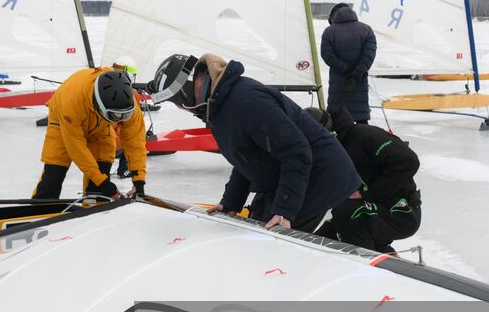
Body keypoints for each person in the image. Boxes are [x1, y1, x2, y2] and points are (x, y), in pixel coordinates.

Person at [150, 53, 357, 232]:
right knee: (255, 231)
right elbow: (246, 157)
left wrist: (284, 210)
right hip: (289, 176)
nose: (181, 109)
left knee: (269, 243)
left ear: (186, 89)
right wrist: (231, 202)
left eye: (177, 101)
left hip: (320, 174)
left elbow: (297, 152)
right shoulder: (219, 105)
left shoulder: (246, 102)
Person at [308, 107, 422, 254]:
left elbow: (408, 161)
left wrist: (370, 194)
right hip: (369, 210)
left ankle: (368, 270)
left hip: (401, 210)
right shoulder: (333, 151)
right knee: (315, 242)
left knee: (347, 212)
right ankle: (383, 253)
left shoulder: (364, 135)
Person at [32, 66, 147, 200]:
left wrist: (138, 181)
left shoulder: (128, 104)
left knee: (101, 175)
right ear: (100, 106)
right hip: (63, 122)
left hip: (102, 126)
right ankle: (41, 206)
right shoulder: (72, 101)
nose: (121, 120)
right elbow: (77, 149)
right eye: (115, 116)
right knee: (54, 174)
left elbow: (135, 142)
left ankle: (94, 205)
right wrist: (103, 182)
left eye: (124, 116)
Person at [320, 2, 376, 123]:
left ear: (333, 16)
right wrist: (356, 73)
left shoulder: (329, 32)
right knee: (361, 123)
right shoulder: (366, 30)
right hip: (359, 82)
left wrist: (346, 69)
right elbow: (369, 55)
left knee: (337, 122)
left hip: (338, 84)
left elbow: (327, 55)